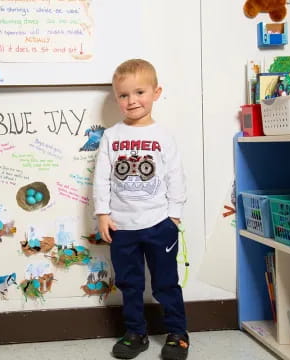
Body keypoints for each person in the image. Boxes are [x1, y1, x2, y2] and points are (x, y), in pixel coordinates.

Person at [93, 59, 188, 360]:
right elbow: (101, 178)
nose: (132, 100)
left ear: (156, 92)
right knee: (129, 284)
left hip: (160, 222)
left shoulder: (163, 136)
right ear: (117, 97)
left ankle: (177, 333)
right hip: (122, 226)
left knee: (165, 282)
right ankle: (135, 332)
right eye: (123, 95)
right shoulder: (111, 136)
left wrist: (174, 215)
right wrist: (102, 214)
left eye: (139, 92)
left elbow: (175, 175)